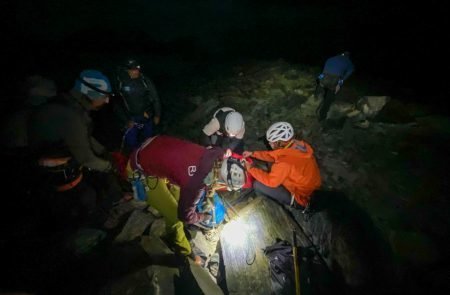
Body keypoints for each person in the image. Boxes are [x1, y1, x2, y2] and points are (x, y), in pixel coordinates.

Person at [123, 135, 247, 264]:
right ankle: (185, 252)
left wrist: (206, 196)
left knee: (177, 194)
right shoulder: (195, 184)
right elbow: (185, 216)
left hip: (154, 145)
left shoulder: (215, 153)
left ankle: (170, 229)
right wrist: (203, 217)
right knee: (176, 218)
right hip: (139, 168)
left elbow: (207, 173)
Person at [27, 69, 123, 228]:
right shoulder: (68, 115)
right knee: (89, 196)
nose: (106, 101)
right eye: (104, 96)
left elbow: (84, 137)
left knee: (97, 180)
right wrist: (111, 166)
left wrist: (105, 151)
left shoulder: (69, 105)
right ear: (89, 93)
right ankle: (89, 229)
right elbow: (85, 158)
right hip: (55, 171)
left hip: (57, 158)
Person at [242, 122, 321, 209]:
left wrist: (250, 168)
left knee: (257, 185)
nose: (269, 144)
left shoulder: (284, 163)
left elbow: (271, 182)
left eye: (271, 142)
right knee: (273, 166)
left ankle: (271, 205)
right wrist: (253, 154)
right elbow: (273, 156)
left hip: (302, 198)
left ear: (279, 143)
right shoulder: (296, 145)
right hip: (311, 187)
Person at [114, 58, 161, 152]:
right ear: (126, 70)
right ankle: (134, 157)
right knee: (131, 142)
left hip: (146, 114)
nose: (136, 71)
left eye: (137, 69)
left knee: (148, 140)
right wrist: (125, 120)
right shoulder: (120, 82)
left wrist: (157, 115)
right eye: (133, 69)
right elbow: (117, 103)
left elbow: (155, 98)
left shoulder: (145, 80)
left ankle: (147, 155)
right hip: (131, 117)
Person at [316, 51, 354, 122]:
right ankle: (322, 116)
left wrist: (319, 79)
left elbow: (324, 70)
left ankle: (316, 96)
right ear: (347, 56)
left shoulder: (331, 58)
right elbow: (349, 72)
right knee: (330, 96)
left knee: (320, 83)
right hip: (335, 79)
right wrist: (341, 82)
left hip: (324, 76)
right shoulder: (348, 61)